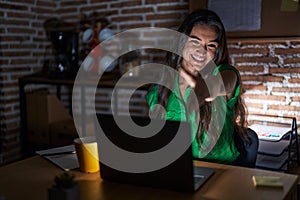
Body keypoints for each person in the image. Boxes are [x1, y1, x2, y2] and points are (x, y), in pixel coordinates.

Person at [146, 9, 249, 164]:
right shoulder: (160, 88)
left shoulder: (227, 74)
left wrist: (198, 93)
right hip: (174, 169)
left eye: (211, 45)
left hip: (220, 171)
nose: (202, 51)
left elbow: (214, 86)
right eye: (195, 41)